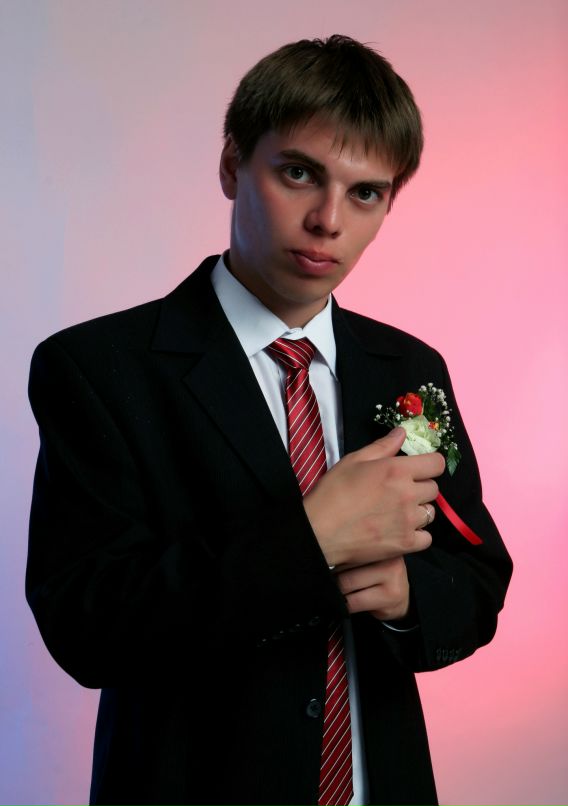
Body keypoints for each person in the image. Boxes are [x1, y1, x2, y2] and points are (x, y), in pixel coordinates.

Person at [27, 35, 512, 806]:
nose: (328, 220)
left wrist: (407, 597)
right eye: (299, 174)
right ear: (232, 166)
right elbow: (88, 630)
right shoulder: (99, 368)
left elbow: (479, 574)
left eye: (366, 192)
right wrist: (312, 540)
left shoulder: (409, 369)